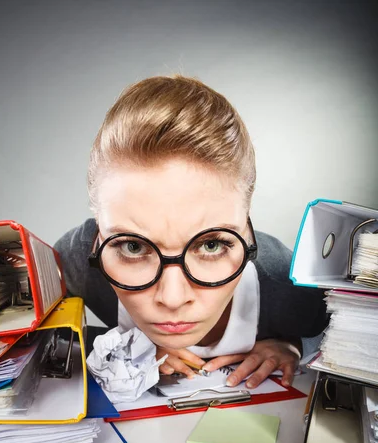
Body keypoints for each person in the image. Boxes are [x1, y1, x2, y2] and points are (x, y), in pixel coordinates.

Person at [55, 75, 327, 390]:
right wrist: (128, 344)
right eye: (132, 247)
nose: (172, 299)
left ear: (248, 234)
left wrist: (293, 344)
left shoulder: (287, 283)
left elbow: (342, 330)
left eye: (211, 245)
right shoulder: (75, 260)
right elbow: (46, 325)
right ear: (98, 238)